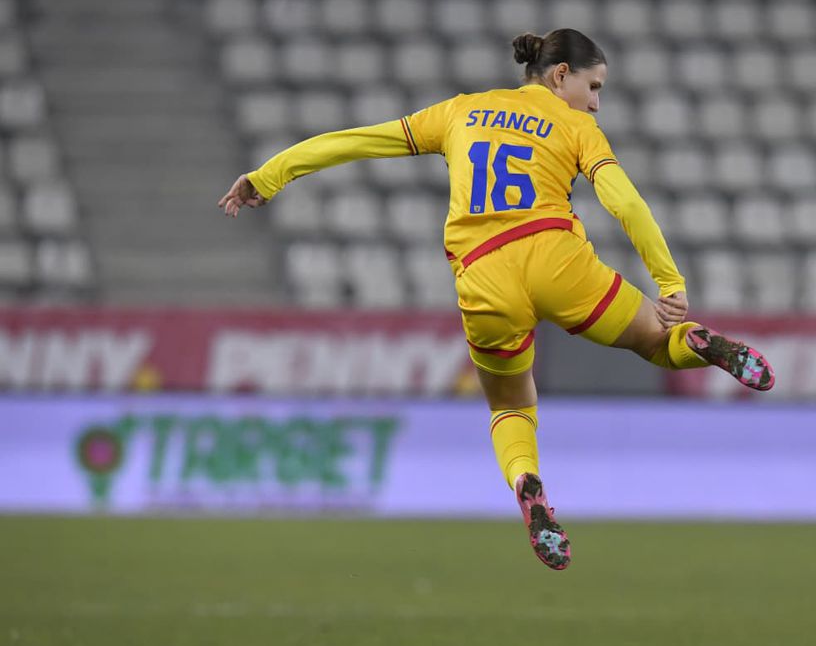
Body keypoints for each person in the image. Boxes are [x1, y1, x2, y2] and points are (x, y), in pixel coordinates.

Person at [218, 28, 774, 571]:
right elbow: (624, 202)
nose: (597, 103)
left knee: (510, 406)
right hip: (557, 258)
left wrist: (269, 176)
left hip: (483, 276)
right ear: (561, 75)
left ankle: (527, 482)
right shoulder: (576, 126)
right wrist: (669, 281)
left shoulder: (460, 110)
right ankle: (698, 340)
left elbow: (356, 140)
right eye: (595, 87)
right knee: (658, 343)